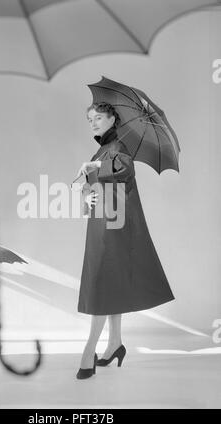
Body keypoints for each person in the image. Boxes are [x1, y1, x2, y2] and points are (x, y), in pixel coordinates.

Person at [75, 102, 175, 380]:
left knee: (102, 283)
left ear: (112, 119)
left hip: (113, 226)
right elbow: (92, 185)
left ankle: (89, 351)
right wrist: (86, 193)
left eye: (98, 118)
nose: (93, 123)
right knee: (110, 282)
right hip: (100, 223)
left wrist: (95, 165)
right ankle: (114, 344)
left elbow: (125, 170)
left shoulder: (120, 147)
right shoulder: (101, 149)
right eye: (90, 119)